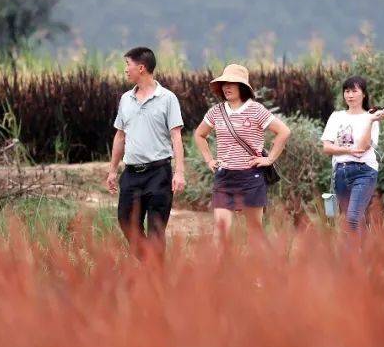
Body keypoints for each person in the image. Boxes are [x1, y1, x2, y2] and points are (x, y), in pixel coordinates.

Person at [193, 64, 291, 243]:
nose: (226, 87)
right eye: (224, 83)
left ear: (242, 87)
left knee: (255, 232)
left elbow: (284, 131)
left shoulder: (256, 110)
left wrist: (269, 159)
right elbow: (199, 135)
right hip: (224, 177)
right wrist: (209, 160)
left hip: (251, 178)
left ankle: (263, 270)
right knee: (220, 233)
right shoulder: (216, 111)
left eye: (232, 83)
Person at [105, 46, 186, 255]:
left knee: (156, 231)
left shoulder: (168, 98)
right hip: (131, 174)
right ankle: (149, 263)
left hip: (159, 174)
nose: (125, 69)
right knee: (125, 220)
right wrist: (113, 170)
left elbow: (176, 136)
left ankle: (155, 281)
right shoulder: (125, 99)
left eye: (127, 64)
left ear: (141, 68)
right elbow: (120, 136)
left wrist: (179, 173)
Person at [321, 76, 384, 233]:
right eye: (347, 91)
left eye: (354, 91)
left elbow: (362, 149)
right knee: (352, 219)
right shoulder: (336, 116)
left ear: (364, 94)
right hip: (340, 172)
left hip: (364, 172)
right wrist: (347, 150)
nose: (350, 95)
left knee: (353, 217)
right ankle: (363, 255)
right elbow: (326, 147)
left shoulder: (371, 118)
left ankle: (354, 256)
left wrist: (371, 121)